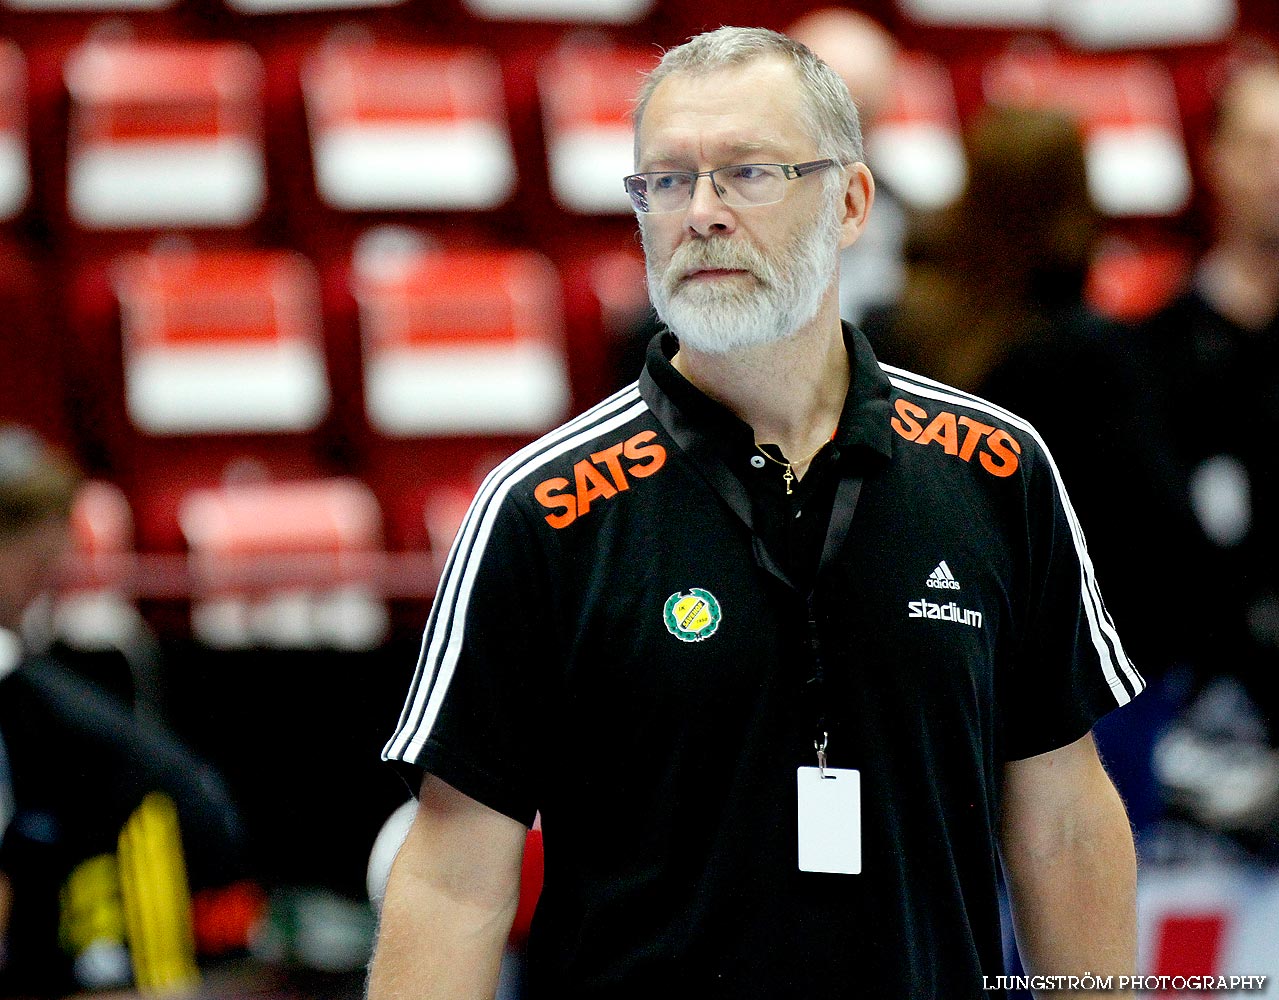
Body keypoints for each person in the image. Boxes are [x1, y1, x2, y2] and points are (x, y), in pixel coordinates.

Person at [372, 27, 1141, 998]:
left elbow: (1061, 825)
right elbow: (452, 881)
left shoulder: (996, 471)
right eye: (664, 181)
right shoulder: (541, 512)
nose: (701, 213)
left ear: (852, 201)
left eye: (747, 173)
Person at [0, 425, 251, 995]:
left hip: (145, 850)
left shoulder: (30, 692)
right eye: (39, 569)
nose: (44, 589)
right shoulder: (26, 685)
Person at [1136, 54, 1279, 848]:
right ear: (1215, 159)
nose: (1277, 171)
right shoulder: (1146, 358)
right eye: (1259, 146)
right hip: (1187, 743)